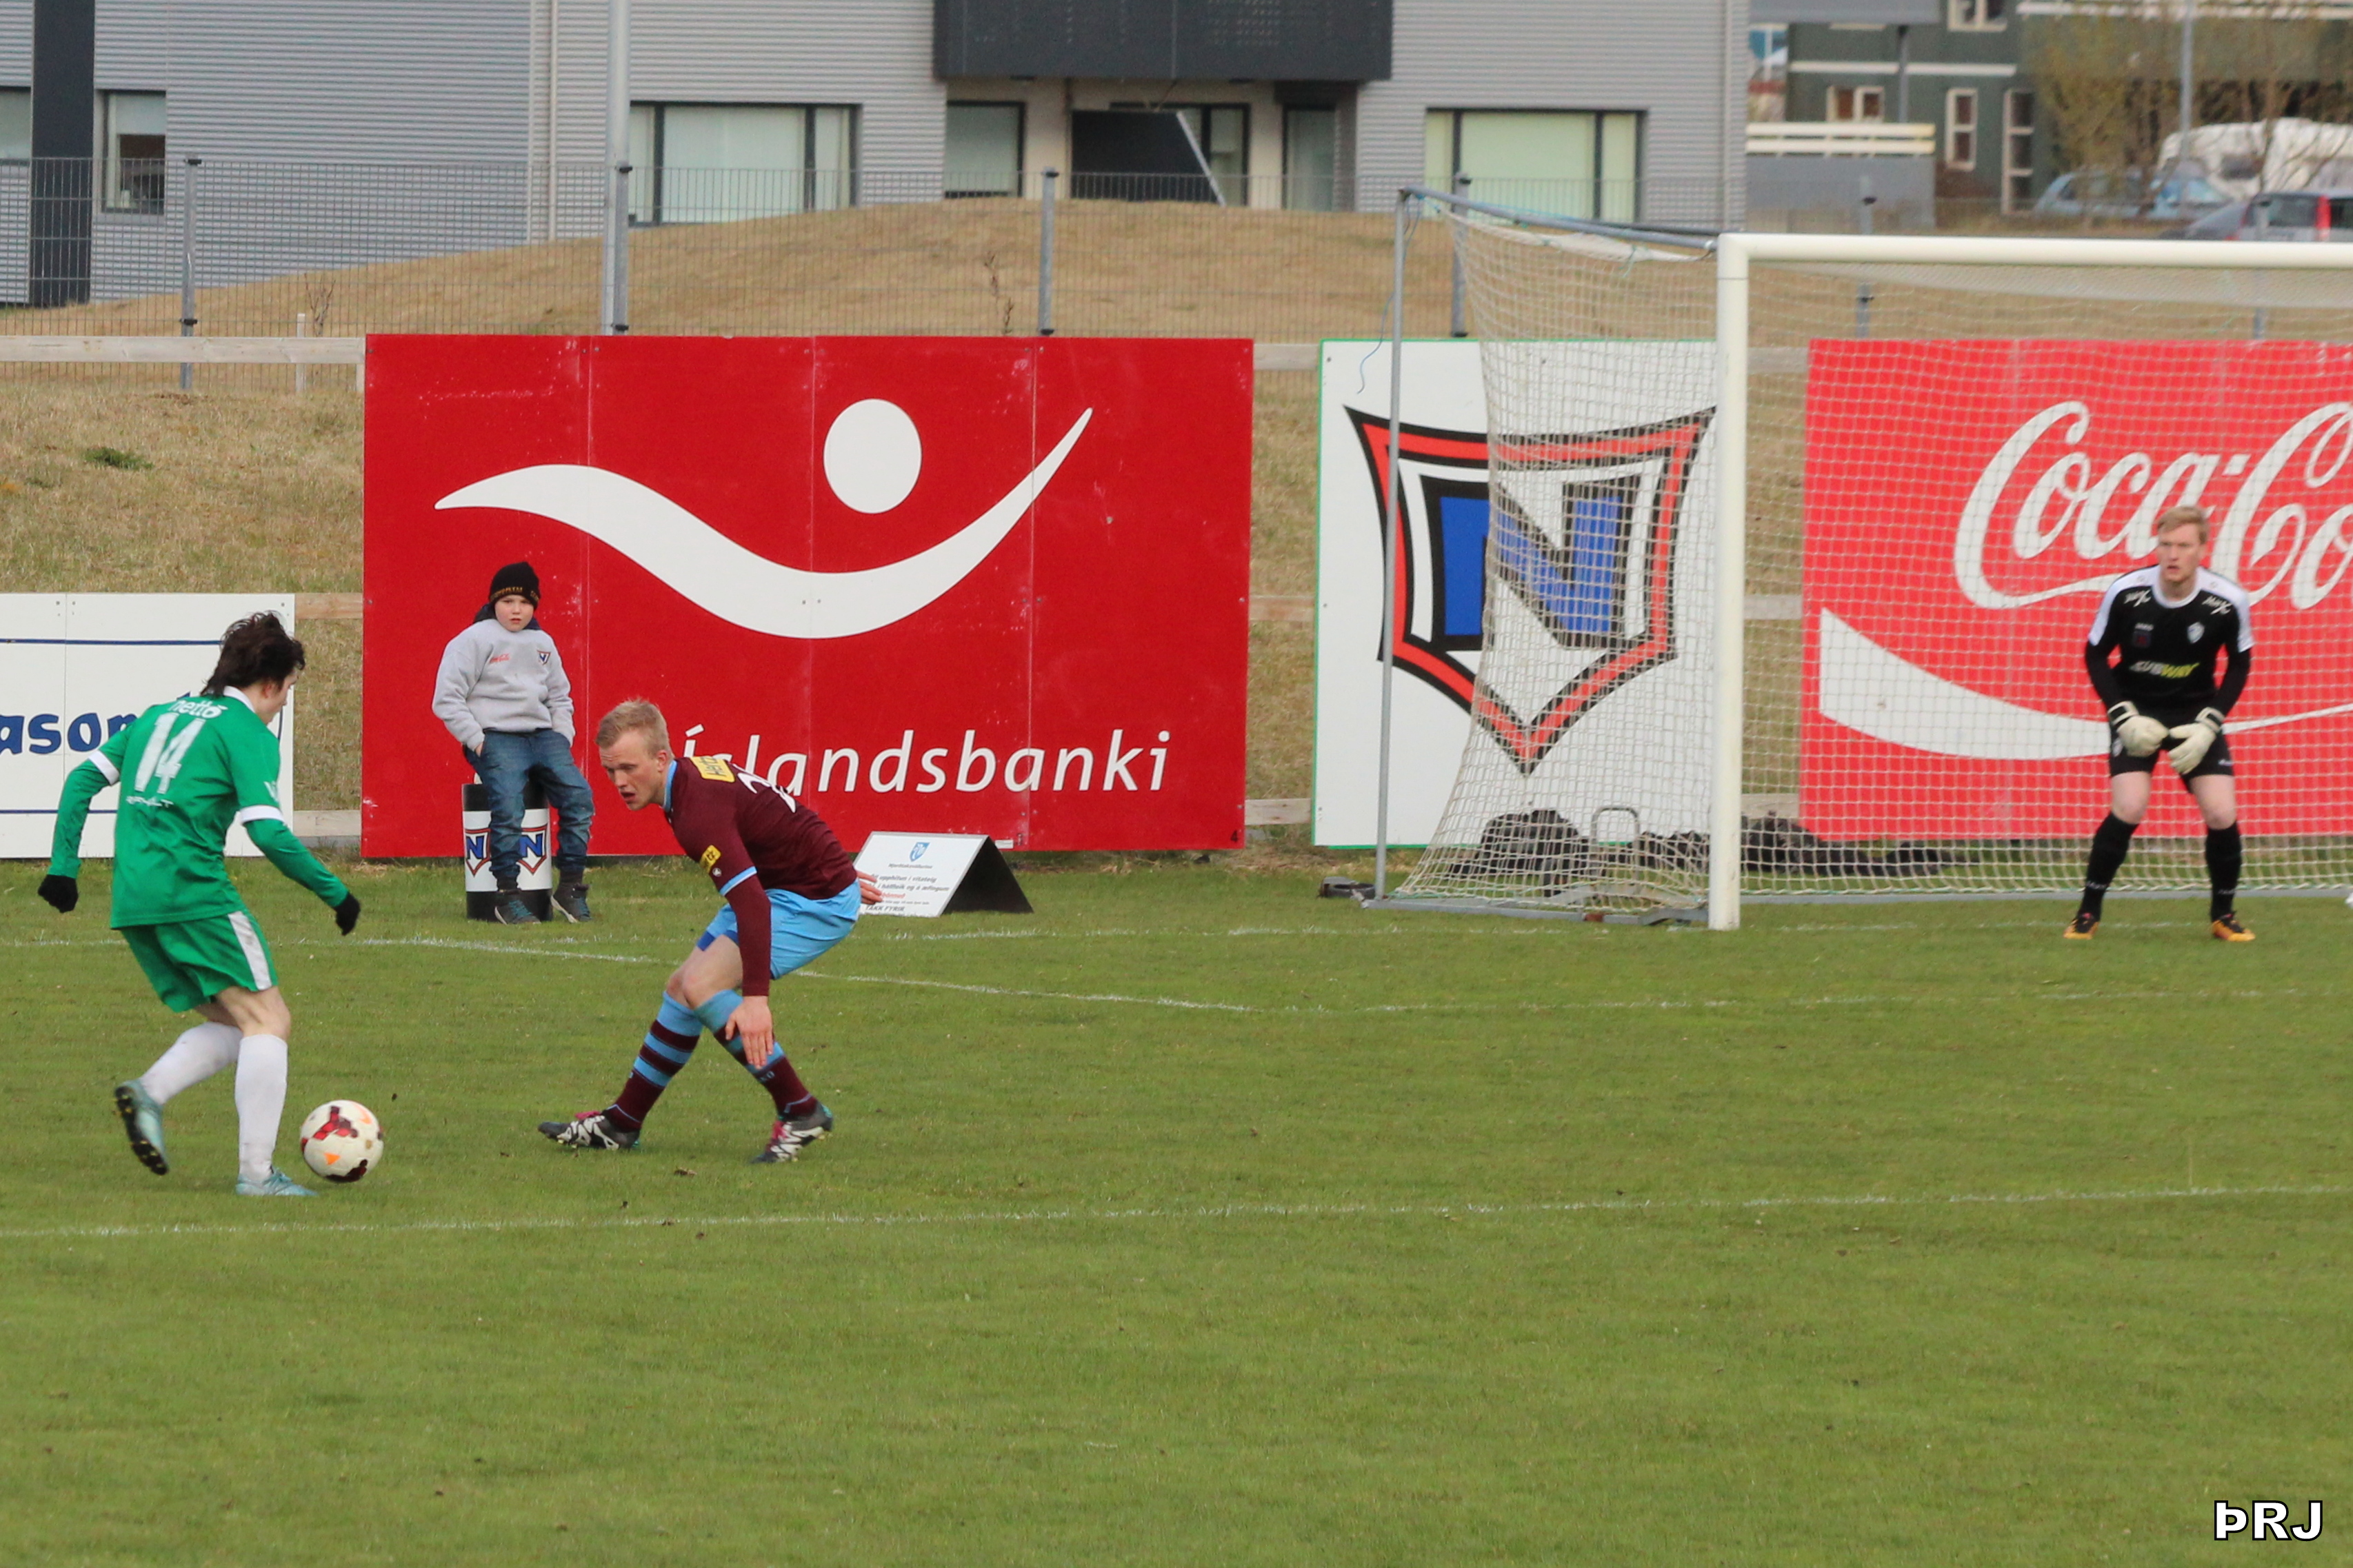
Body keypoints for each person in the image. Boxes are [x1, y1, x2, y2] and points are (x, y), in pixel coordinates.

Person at [39, 612, 363, 1196]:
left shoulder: (159, 715)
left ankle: (150, 1093)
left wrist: (65, 868)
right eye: (288, 691)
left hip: (134, 899)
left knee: (238, 1023)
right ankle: (257, 1175)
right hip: (194, 892)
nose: (283, 705)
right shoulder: (246, 732)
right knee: (270, 1021)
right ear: (270, 684)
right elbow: (268, 833)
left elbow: (81, 779)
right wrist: (335, 893)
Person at [539, 699, 877, 1163]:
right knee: (681, 988)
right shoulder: (690, 779)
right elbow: (771, 813)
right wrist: (829, 862)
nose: (619, 782)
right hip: (789, 885)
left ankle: (801, 1111)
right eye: (610, 770)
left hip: (810, 902)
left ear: (661, 759)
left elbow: (752, 903)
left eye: (629, 768)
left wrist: (756, 1001)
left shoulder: (695, 811)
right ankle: (622, 1124)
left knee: (702, 985)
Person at [2070, 504, 2254, 941]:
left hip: (2195, 714)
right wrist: (2122, 714)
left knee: (2221, 812)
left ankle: (2223, 916)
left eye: (2184, 546)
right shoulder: (2126, 593)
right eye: (2165, 544)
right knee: (2130, 806)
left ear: (2203, 550)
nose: (2173, 555)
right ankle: (2087, 913)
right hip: (2136, 710)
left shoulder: (2228, 601)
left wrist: (2210, 723)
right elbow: (2095, 654)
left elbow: (2240, 664)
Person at [432, 561, 595, 924]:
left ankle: (571, 888)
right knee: (508, 807)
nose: (516, 610)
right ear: (494, 603)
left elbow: (560, 696)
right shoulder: (473, 640)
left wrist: (562, 735)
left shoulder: (543, 642)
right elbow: (447, 698)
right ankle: (506, 895)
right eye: (508, 602)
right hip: (497, 738)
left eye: (524, 602)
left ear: (534, 605)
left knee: (579, 799)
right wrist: (477, 741)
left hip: (544, 737)